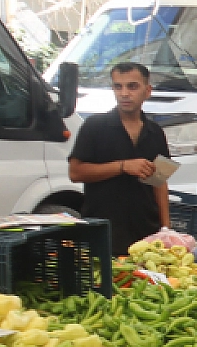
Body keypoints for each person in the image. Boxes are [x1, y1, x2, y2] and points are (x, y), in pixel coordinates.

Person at [68, 61, 172, 253]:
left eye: (132, 86)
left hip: (146, 232)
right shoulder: (95, 126)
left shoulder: (156, 132)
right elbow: (75, 172)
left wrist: (165, 228)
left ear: (147, 91)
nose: (124, 93)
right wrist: (122, 166)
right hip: (103, 230)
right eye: (118, 86)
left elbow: (160, 182)